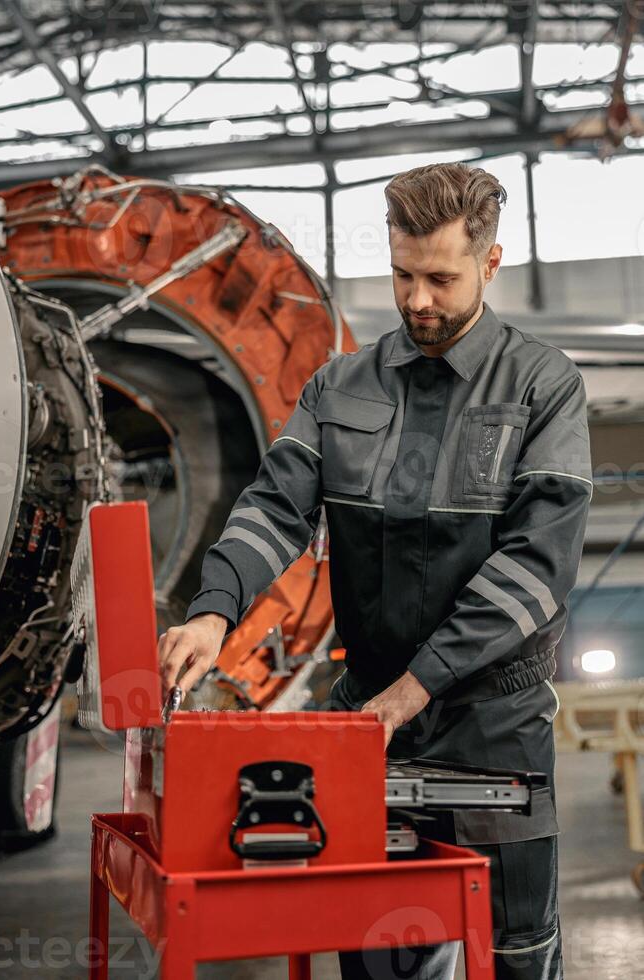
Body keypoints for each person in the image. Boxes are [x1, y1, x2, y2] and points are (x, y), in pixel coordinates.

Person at [158, 162, 592, 979]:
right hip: (370, 726)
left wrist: (416, 687)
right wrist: (215, 610)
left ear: (489, 264)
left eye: (440, 278)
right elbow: (275, 507)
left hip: (494, 731)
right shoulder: (339, 385)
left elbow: (534, 568)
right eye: (401, 275)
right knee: (383, 946)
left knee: (513, 951)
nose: (418, 300)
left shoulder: (544, 387)